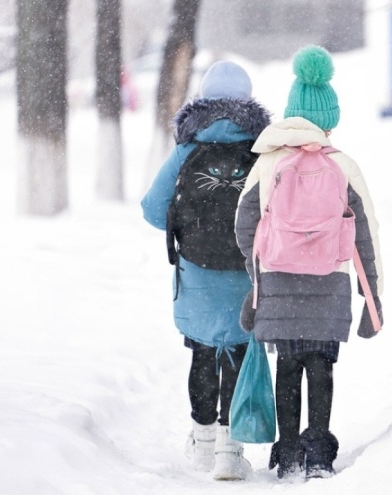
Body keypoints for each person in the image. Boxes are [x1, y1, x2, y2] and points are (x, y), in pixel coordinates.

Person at [234, 45, 384, 480]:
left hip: (279, 280)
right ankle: (319, 450)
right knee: (321, 365)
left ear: (291, 113)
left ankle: (288, 453)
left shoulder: (268, 162)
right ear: (330, 118)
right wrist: (372, 296)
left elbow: (244, 225)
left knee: (288, 365)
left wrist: (259, 269)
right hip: (330, 282)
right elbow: (367, 237)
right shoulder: (344, 165)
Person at [140, 60, 271, 480]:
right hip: (245, 269)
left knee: (201, 350)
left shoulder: (187, 149)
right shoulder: (263, 150)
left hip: (195, 268)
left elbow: (152, 209)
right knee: (235, 350)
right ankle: (230, 451)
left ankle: (201, 441)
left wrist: (189, 228)